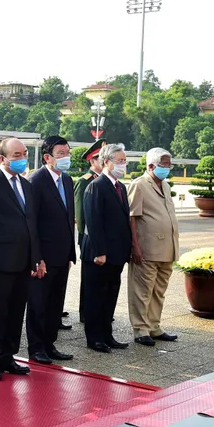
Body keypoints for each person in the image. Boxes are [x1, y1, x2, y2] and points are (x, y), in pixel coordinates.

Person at [0, 138, 44, 380]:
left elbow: (31, 224)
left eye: (24, 154)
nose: (22, 159)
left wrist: (37, 258)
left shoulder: (25, 185)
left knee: (16, 312)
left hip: (23, 261)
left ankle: (8, 356)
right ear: (2, 159)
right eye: (16, 155)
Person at [25, 136, 75, 364]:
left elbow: (68, 219)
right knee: (39, 303)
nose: (66, 157)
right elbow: (31, 223)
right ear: (48, 157)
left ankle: (49, 343)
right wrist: (37, 258)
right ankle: (36, 348)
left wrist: (70, 254)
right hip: (43, 256)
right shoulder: (36, 180)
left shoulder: (66, 180)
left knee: (55, 303)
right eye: (61, 153)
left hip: (62, 255)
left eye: (68, 152)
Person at [127, 147, 180, 346]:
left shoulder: (165, 185)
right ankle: (140, 329)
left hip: (167, 247)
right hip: (147, 248)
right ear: (151, 166)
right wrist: (135, 247)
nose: (167, 167)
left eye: (168, 164)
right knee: (142, 290)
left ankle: (154, 326)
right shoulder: (139, 185)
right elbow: (132, 217)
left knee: (159, 290)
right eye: (163, 164)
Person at [81, 143, 131, 354]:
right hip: (99, 254)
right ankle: (95, 338)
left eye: (124, 161)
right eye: (119, 161)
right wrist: (100, 251)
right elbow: (93, 222)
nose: (123, 165)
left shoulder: (120, 187)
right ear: (106, 162)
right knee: (96, 297)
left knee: (110, 295)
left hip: (116, 254)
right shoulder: (96, 185)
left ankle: (107, 335)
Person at [74, 139, 104, 322]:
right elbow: (80, 214)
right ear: (92, 161)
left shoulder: (103, 181)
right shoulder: (85, 181)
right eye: (101, 158)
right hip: (87, 236)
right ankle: (85, 312)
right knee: (89, 279)